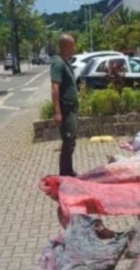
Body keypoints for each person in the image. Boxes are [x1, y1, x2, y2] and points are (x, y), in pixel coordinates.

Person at [50, 34, 79, 177]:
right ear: (66, 46)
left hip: (71, 110)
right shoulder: (58, 63)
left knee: (71, 141)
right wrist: (57, 112)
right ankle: (65, 173)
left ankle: (69, 170)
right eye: (72, 45)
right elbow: (55, 87)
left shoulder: (66, 62)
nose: (75, 48)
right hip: (65, 110)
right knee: (67, 141)